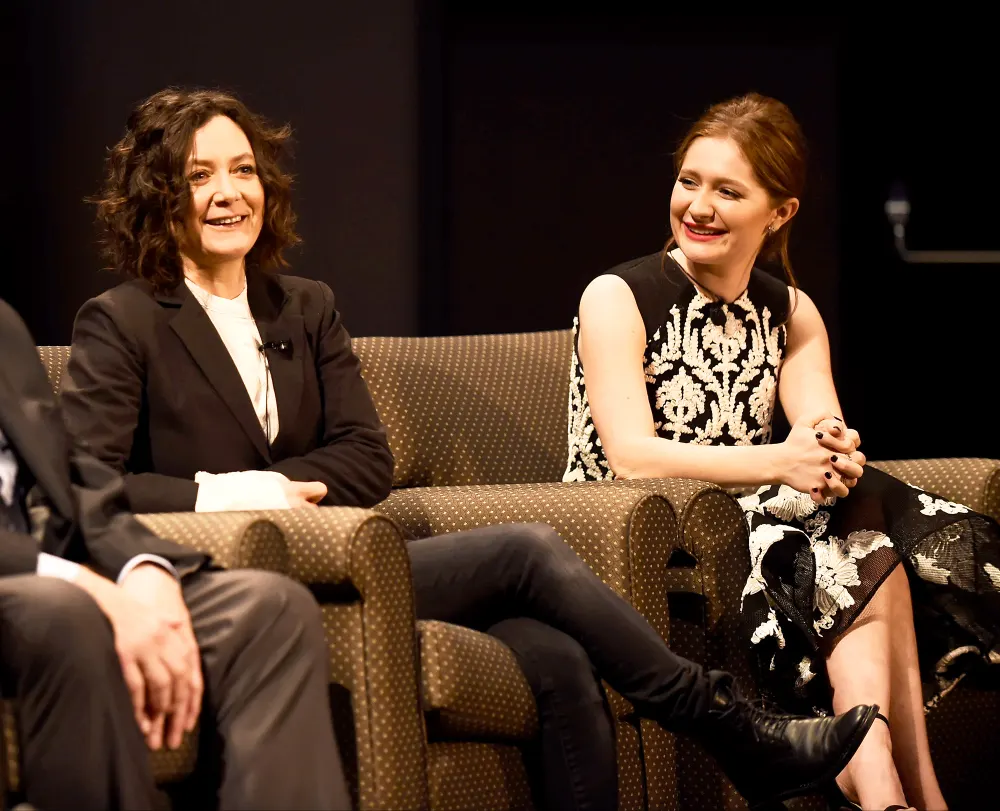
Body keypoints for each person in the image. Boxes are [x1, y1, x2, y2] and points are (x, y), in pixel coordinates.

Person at [60, 86, 880, 811]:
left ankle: (740, 738)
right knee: (527, 550)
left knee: (555, 656)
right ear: (160, 197)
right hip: (225, 570)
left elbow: (362, 461)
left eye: (242, 170)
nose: (230, 192)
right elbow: (88, 485)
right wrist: (234, 495)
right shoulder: (125, 319)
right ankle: (733, 728)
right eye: (201, 176)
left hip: (344, 561)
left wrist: (282, 488)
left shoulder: (302, 307)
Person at [564, 92, 1000, 811]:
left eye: (727, 191)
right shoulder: (616, 295)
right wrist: (783, 463)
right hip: (630, 527)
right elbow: (631, 457)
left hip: (754, 524)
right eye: (689, 181)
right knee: (855, 529)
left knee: (857, 516)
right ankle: (905, 789)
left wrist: (835, 454)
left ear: (780, 213)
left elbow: (819, 428)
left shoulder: (791, 312)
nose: (698, 206)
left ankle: (883, 782)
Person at [0, 297, 351, 810]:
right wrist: (81, 581)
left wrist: (144, 566)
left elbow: (71, 471)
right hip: (29, 580)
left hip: (50, 567)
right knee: (67, 613)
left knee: (265, 609)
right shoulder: (121, 319)